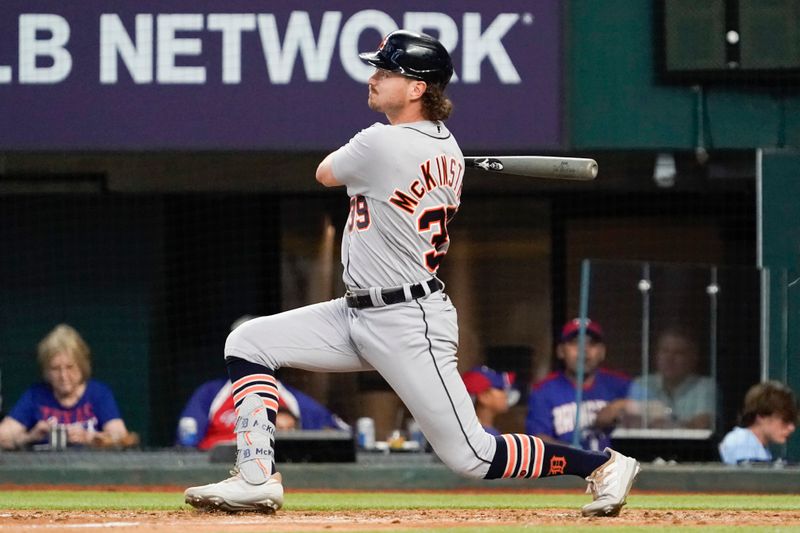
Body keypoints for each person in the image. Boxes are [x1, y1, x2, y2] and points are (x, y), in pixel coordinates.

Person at [184, 30, 640, 518]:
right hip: (355, 310)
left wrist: (389, 158)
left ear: (419, 88)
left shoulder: (380, 141)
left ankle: (603, 465)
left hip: (407, 320)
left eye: (387, 71)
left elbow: (324, 173)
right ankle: (255, 477)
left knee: (473, 456)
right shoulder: (444, 147)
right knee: (249, 342)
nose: (374, 78)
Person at [0, 324, 132, 450]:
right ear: (46, 371)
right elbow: (2, 437)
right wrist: (30, 437)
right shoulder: (35, 395)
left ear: (81, 366)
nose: (63, 376)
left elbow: (122, 437)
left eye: (70, 367)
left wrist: (90, 438)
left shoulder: (98, 393)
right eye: (55, 369)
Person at [526, 318, 631, 452]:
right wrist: (579, 457)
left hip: (617, 469)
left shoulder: (620, 383)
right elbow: (538, 440)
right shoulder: (543, 390)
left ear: (602, 352)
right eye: (575, 343)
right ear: (560, 351)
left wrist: (623, 405)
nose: (584, 350)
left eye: (591, 344)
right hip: (569, 470)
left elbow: (658, 410)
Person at [176, 377, 349, 450]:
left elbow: (339, 432)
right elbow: (187, 441)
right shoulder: (212, 393)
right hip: (216, 466)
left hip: (272, 468)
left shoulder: (290, 397)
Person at [625, 327, 716, 429]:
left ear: (693, 357)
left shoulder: (705, 387)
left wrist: (663, 425)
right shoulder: (642, 384)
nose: (669, 359)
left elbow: (702, 425)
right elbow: (633, 424)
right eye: (664, 351)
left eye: (678, 353)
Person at [718, 381, 798, 465]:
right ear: (762, 416)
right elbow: (749, 477)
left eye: (793, 421)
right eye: (785, 420)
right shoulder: (741, 441)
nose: (791, 428)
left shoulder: (757, 446)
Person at [461, 366, 519, 436]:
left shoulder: (473, 431)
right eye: (500, 389)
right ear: (484, 397)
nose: (505, 395)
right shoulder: (484, 436)